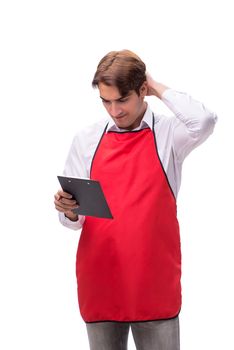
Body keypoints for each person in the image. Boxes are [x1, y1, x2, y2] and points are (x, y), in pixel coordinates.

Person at [54, 49, 217, 350]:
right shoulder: (87, 140)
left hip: (154, 284)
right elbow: (73, 222)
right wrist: (70, 211)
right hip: (101, 279)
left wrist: (155, 86)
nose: (114, 110)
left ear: (142, 91)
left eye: (122, 100)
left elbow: (204, 121)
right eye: (106, 101)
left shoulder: (169, 135)